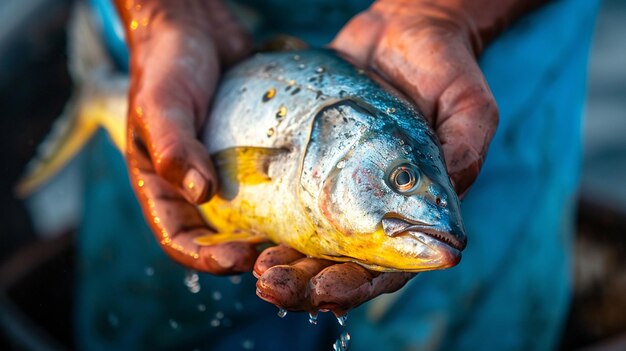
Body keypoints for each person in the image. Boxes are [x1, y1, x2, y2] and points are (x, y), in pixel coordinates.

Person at [75, 0, 600, 349]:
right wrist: (160, 12)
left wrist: (444, 10)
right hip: (190, 38)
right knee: (155, 325)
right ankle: (103, 91)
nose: (438, 215)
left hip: (482, 40)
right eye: (403, 178)